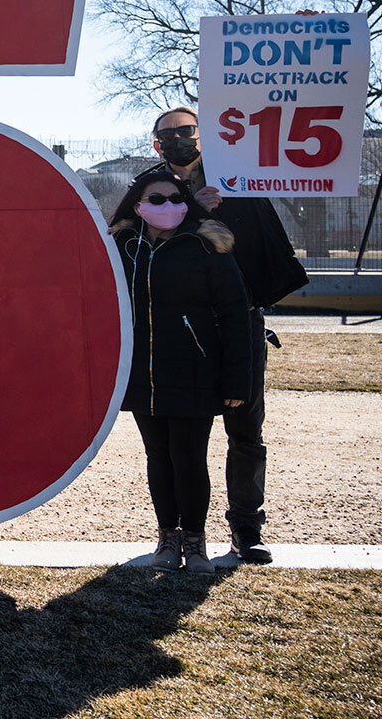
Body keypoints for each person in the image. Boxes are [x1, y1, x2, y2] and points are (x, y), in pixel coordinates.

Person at [143, 106, 308, 563]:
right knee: (179, 440)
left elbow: (261, 238)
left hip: (239, 321)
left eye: (187, 130)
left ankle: (245, 529)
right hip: (180, 328)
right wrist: (191, 211)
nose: (178, 139)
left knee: (245, 431)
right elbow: (139, 242)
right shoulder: (152, 185)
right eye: (168, 134)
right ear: (157, 144)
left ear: (202, 133)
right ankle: (180, 533)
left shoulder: (241, 177)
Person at [110, 168, 250, 574]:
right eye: (156, 199)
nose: (166, 207)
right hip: (142, 374)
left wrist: (236, 380)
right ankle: (167, 538)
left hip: (196, 370)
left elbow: (234, 315)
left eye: (175, 199)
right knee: (159, 458)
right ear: (138, 205)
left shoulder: (207, 247)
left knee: (189, 458)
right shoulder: (122, 247)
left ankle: (195, 540)